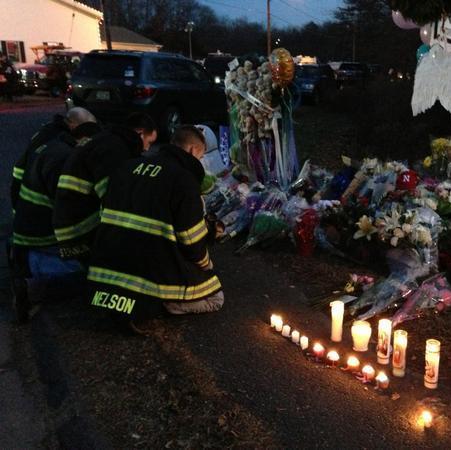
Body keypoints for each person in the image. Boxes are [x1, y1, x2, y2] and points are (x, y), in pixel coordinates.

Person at [87, 125, 224, 334]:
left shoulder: (127, 167)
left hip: (107, 267)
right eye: (201, 156)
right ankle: (162, 304)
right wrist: (206, 265)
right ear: (193, 150)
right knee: (215, 297)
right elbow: (191, 241)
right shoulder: (183, 180)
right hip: (150, 267)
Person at [11, 107, 101, 321]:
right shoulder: (63, 158)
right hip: (41, 237)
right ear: (82, 136)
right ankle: (33, 286)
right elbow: (68, 208)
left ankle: (28, 272)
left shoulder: (50, 143)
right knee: (91, 275)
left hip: (26, 230)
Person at [53, 113, 158, 262]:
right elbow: (113, 200)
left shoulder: (106, 139)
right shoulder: (115, 150)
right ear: (140, 133)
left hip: (69, 224)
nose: (147, 149)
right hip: (80, 231)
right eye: (149, 142)